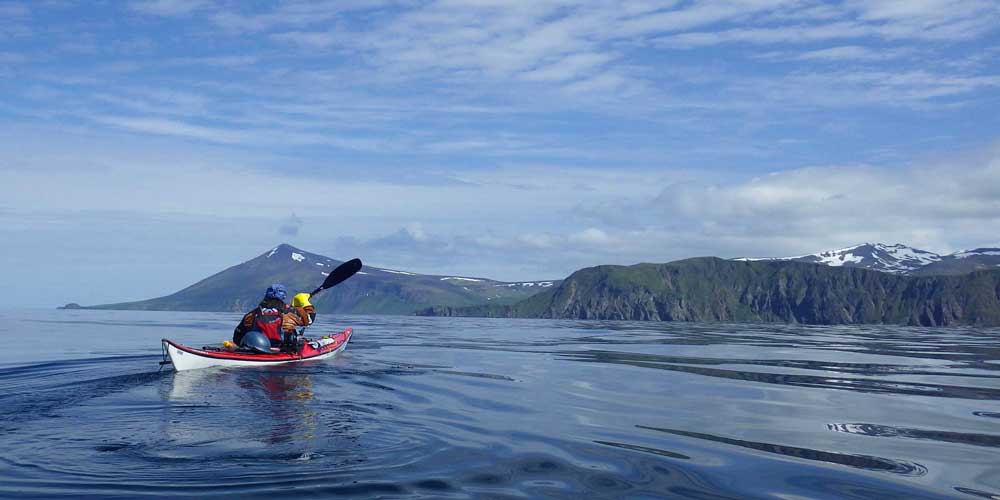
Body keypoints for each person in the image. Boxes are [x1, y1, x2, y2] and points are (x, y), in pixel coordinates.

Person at [233, 284, 314, 351]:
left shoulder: (251, 314)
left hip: (255, 351)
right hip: (283, 351)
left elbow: (237, 338)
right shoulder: (292, 312)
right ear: (283, 296)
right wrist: (306, 303)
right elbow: (309, 320)